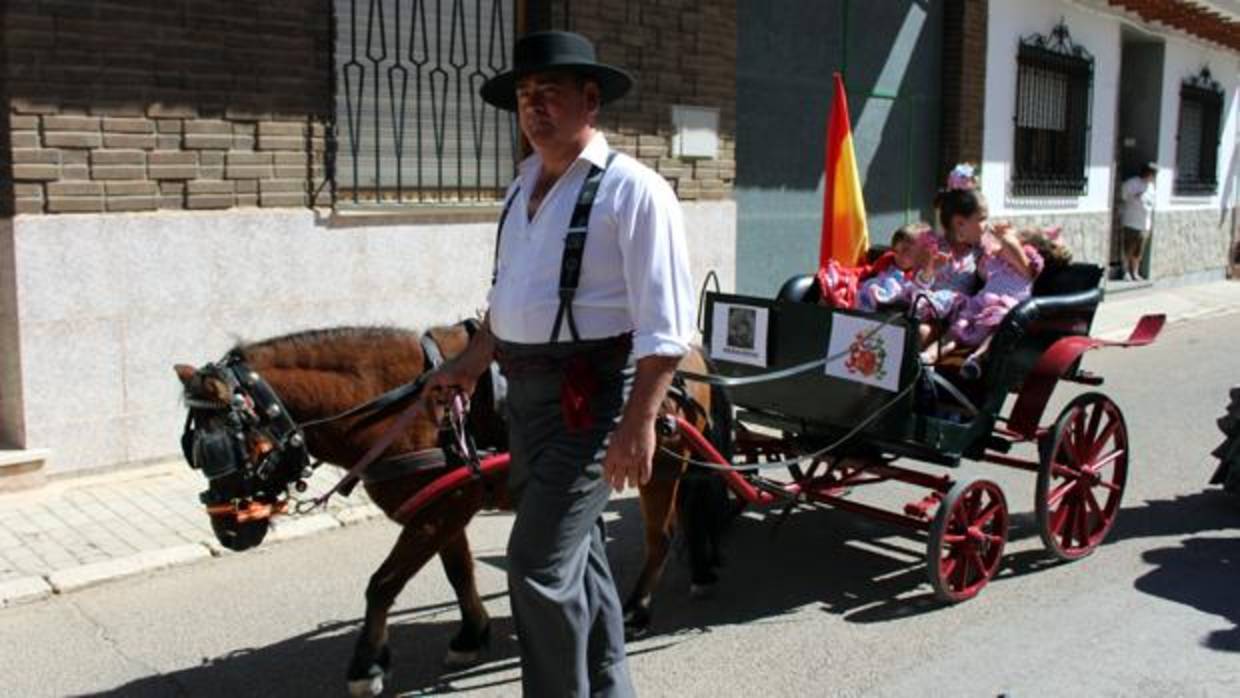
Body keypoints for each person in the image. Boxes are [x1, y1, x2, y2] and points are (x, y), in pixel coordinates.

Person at [421, 30, 695, 698]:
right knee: (580, 556)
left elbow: (665, 330)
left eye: (549, 93)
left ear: (590, 100)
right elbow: (507, 306)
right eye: (523, 95)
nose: (534, 106)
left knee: (537, 563)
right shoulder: (520, 191)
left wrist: (640, 424)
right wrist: (466, 363)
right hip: (529, 399)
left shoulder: (636, 191)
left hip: (596, 398)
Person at [1120, 162, 1157, 281]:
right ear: (1147, 173)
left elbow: (1152, 203)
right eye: (1153, 174)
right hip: (1131, 222)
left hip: (1144, 224)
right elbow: (1123, 196)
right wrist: (1134, 196)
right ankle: (1125, 272)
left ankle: (1135, 272)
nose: (1154, 177)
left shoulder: (1151, 186)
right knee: (1128, 249)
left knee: (1139, 251)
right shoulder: (1132, 183)